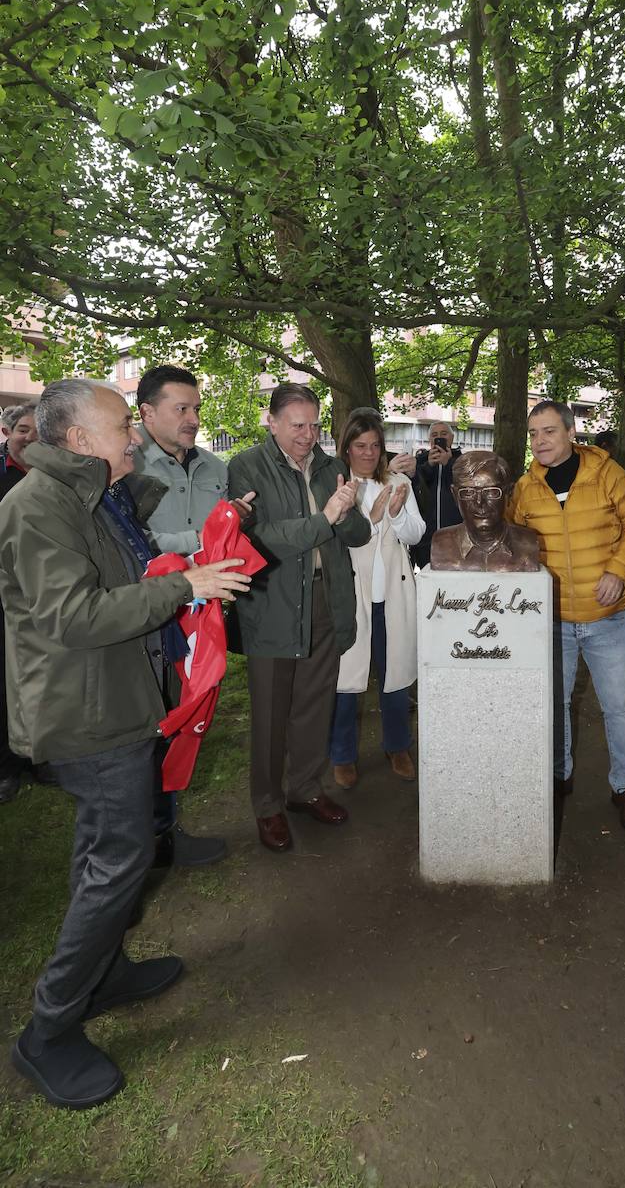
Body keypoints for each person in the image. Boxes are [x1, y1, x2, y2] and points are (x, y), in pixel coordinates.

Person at [0, 379, 249, 1109]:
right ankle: (48, 1029)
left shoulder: (97, 494)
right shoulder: (38, 507)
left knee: (102, 847)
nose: (133, 436)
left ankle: (103, 973)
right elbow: (73, 616)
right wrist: (186, 588)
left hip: (114, 700)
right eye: (120, 427)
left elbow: (129, 566)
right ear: (77, 440)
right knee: (121, 858)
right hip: (86, 715)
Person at [227, 384, 370, 852]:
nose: (309, 435)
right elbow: (258, 538)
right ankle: (267, 806)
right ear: (271, 421)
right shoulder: (246, 466)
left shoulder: (331, 466)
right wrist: (324, 519)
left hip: (326, 601)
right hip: (273, 603)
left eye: (314, 424)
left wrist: (346, 512)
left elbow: (358, 533)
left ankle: (305, 789)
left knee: (314, 705)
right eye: (297, 425)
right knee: (271, 714)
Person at [508, 401, 625, 834]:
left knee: (620, 706)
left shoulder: (606, 472)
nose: (540, 442)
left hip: (607, 617)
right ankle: (558, 777)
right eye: (533, 434)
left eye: (549, 431)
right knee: (555, 703)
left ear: (571, 433)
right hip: (551, 621)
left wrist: (618, 570)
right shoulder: (526, 488)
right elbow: (510, 540)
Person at [133, 364, 254, 868]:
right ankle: (137, 846)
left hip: (202, 619)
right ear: (147, 413)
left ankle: (165, 831)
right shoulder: (125, 468)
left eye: (197, 408)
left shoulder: (214, 467)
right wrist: (203, 541)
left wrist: (234, 524)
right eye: (181, 409)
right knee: (146, 729)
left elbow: (224, 536)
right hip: (147, 619)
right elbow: (135, 545)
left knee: (187, 720)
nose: (193, 418)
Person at [330, 410, 425, 789]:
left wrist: (399, 515)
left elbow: (417, 534)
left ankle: (397, 745)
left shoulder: (399, 480)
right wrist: (369, 517)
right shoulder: (339, 485)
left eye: (374, 446)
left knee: (396, 673)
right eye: (360, 446)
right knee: (347, 678)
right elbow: (338, 538)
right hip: (353, 593)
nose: (368, 453)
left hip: (394, 591)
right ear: (347, 448)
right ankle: (342, 754)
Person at [0, 404, 39, 802]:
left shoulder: (47, 477)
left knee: (33, 676)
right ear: (7, 431)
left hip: (40, 591)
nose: (30, 438)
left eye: (37, 431)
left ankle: (38, 757)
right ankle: (6, 767)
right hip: (6, 591)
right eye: (23, 430)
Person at [432, 451, 540, 571]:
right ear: (455, 495)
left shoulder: (528, 543)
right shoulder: (440, 544)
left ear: (509, 493)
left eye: (491, 492)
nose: (479, 502)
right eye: (468, 492)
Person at [411, 422, 463, 569]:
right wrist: (429, 466)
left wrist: (448, 464)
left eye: (443, 434)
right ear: (429, 440)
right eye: (434, 435)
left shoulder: (462, 462)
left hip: (455, 538)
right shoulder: (419, 462)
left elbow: (463, 487)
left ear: (452, 438)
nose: (439, 438)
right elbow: (415, 488)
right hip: (426, 538)